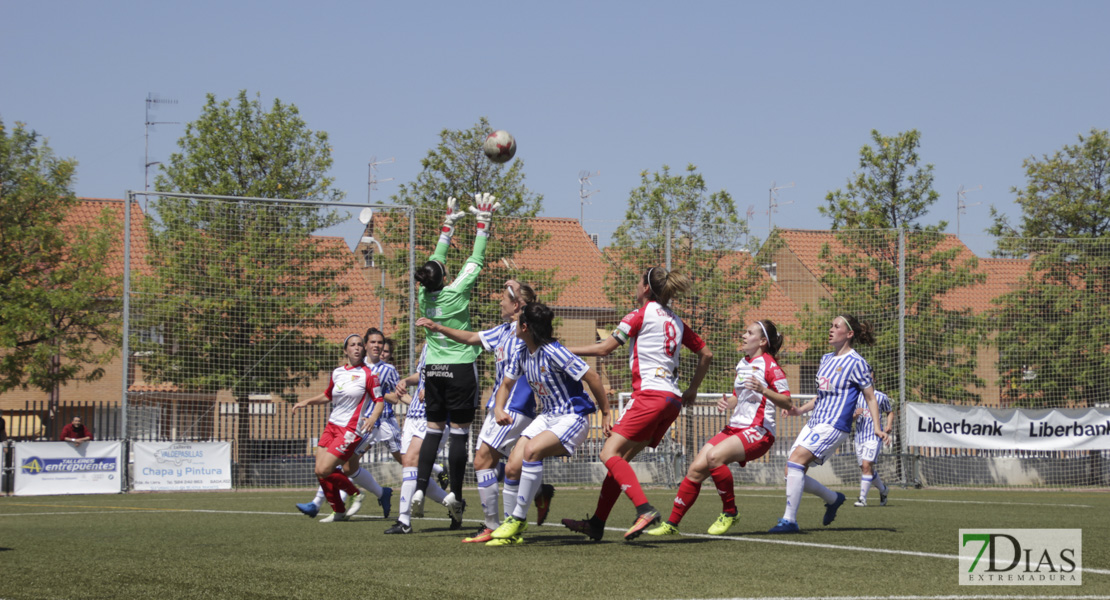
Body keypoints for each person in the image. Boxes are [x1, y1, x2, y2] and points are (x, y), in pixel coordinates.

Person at [562, 266, 712, 541]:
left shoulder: (639, 315)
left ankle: (644, 509)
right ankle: (596, 523)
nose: (634, 286)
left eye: (637, 282)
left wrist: (560, 349)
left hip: (650, 397)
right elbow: (706, 353)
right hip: (671, 400)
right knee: (620, 462)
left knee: (608, 455)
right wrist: (692, 389)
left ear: (645, 288)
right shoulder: (676, 321)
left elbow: (604, 348)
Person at [418, 279, 555, 544]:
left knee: (482, 461)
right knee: (510, 467)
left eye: (505, 297)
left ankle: (493, 526)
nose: (499, 301)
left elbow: (531, 313)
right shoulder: (503, 331)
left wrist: (518, 290)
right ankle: (528, 504)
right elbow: (470, 338)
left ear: (516, 304)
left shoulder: (527, 329)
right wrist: (438, 328)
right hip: (501, 406)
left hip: (514, 407)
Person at [647, 319, 792, 537]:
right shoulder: (743, 363)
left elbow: (787, 402)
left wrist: (763, 389)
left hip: (759, 430)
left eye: (749, 333)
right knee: (695, 469)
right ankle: (672, 524)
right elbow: (739, 397)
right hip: (735, 427)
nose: (743, 336)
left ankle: (730, 512)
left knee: (714, 457)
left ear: (762, 341)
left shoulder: (771, 366)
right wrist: (729, 403)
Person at [487, 302, 611, 546]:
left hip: (571, 416)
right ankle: (511, 533)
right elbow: (506, 385)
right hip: (547, 416)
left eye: (518, 321)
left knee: (532, 451)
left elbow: (593, 377)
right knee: (512, 466)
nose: (515, 325)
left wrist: (606, 412)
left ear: (525, 327)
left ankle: (517, 519)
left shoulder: (555, 351)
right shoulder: (522, 352)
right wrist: (499, 408)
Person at [410, 193, 499, 521]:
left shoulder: (423, 293)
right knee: (460, 434)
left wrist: (447, 226)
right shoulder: (456, 290)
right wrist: (482, 224)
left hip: (432, 369)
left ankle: (420, 487)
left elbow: (434, 260)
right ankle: (457, 497)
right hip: (460, 367)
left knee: (433, 430)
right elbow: (476, 259)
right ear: (445, 278)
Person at [768, 315, 888, 533]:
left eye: (836, 326)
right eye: (831, 326)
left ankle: (789, 521)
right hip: (815, 422)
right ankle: (833, 499)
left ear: (849, 334)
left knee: (795, 462)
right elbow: (821, 397)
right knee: (791, 470)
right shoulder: (825, 359)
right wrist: (799, 410)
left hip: (834, 425)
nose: (831, 329)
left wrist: (878, 427)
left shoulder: (857, 363)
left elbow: (871, 398)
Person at [295, 328, 401, 522]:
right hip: (332, 425)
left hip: (350, 429)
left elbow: (379, 400)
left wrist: (371, 418)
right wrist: (306, 402)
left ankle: (355, 493)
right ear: (345, 350)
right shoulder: (338, 372)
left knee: (327, 469)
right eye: (353, 345)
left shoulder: (369, 374)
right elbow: (328, 395)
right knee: (319, 470)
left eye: (360, 345)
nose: (357, 348)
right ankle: (339, 510)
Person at [384, 344, 459, 535]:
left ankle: (404, 521)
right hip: (413, 415)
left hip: (434, 417)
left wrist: (435, 391)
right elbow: (422, 375)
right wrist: (407, 381)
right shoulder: (428, 345)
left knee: (410, 460)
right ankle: (454, 504)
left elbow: (457, 381)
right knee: (412, 469)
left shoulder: (454, 346)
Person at [852, 367, 894, 507]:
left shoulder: (881, 397)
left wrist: (888, 426)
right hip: (858, 438)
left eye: (869, 378)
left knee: (866, 466)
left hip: (873, 437)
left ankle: (862, 499)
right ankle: (883, 490)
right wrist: (855, 415)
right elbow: (849, 418)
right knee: (865, 468)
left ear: (873, 380)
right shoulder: (856, 397)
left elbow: (890, 412)